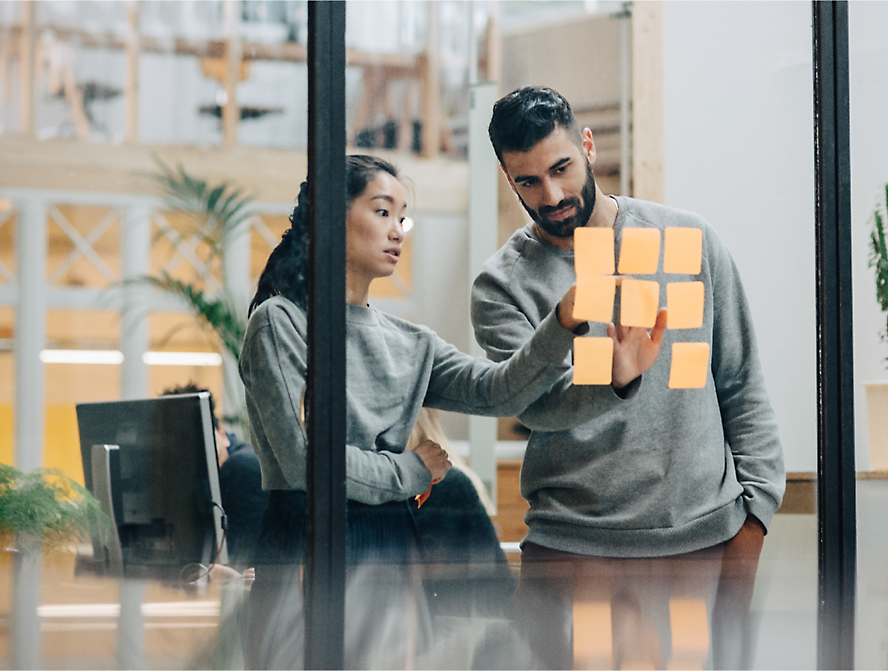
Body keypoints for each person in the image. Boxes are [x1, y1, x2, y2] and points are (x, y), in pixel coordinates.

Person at [238, 155, 668, 668]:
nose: (398, 230)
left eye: (402, 216)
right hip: (304, 548)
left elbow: (499, 392)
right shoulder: (279, 323)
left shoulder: (409, 341)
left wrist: (566, 326)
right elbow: (307, 465)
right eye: (382, 212)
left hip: (391, 546)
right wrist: (414, 470)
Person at [471, 86, 786, 669]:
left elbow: (741, 385)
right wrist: (611, 382)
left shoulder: (686, 242)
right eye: (529, 182)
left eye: (562, 168)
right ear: (507, 179)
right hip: (572, 554)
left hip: (704, 547)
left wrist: (754, 523)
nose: (554, 194)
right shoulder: (501, 287)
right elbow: (535, 406)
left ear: (587, 146)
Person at [160, 383, 267, 572]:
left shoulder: (242, 468)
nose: (193, 452)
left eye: (196, 439)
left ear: (223, 434)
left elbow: (237, 563)